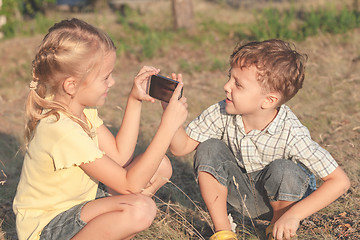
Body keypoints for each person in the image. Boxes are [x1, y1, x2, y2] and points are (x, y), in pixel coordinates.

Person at [13, 18, 188, 240]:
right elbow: (129, 185)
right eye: (105, 77)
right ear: (71, 85)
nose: (112, 82)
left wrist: (134, 100)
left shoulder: (79, 111)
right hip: (48, 229)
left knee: (160, 167)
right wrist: (167, 127)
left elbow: (119, 155)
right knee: (140, 208)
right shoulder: (61, 129)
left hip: (78, 207)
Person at [167, 39, 350, 240]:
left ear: (269, 100)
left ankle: (278, 230)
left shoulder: (291, 131)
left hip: (286, 202)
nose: (226, 86)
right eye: (230, 77)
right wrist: (170, 112)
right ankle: (224, 232)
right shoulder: (222, 112)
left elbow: (339, 181)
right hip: (241, 195)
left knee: (284, 169)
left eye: (238, 84)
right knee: (209, 148)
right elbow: (180, 147)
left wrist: (294, 216)